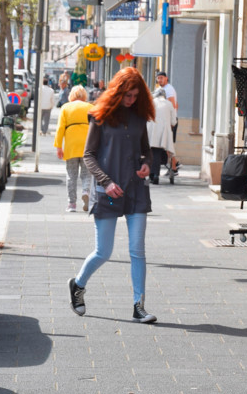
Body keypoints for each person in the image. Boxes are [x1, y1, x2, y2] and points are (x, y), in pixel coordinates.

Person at [68, 68, 157, 324]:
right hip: (107, 192)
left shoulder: (140, 118)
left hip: (136, 191)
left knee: (137, 251)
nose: (131, 100)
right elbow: (88, 155)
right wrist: (106, 183)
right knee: (103, 252)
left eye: (135, 96)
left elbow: (147, 151)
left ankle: (138, 305)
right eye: (127, 95)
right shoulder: (100, 115)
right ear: (117, 92)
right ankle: (78, 284)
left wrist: (147, 165)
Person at [54, 85, 94, 212]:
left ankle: (72, 204)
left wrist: (59, 146)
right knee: (87, 173)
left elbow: (60, 128)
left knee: (71, 175)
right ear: (84, 96)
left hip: (71, 145)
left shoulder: (66, 107)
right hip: (87, 145)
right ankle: (86, 191)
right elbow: (97, 127)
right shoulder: (90, 107)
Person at [147, 88, 178, 184]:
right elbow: (174, 121)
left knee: (152, 152)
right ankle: (155, 174)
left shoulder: (151, 103)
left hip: (151, 132)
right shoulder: (169, 104)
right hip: (164, 134)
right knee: (158, 152)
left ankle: (153, 174)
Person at [155, 71, 178, 141]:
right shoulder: (159, 89)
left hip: (169, 121)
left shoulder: (169, 89)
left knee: (168, 144)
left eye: (161, 78)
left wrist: (171, 122)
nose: (159, 80)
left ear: (166, 78)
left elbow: (173, 105)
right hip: (163, 120)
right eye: (158, 78)